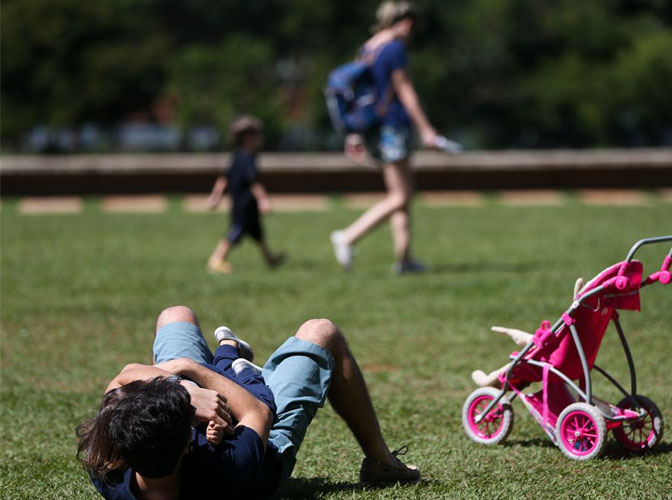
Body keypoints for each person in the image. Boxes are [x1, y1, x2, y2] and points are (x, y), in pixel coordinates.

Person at [76, 305, 420, 499]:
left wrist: (184, 390)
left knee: (175, 315)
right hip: (261, 437)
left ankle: (226, 359)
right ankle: (381, 461)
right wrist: (189, 371)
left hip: (179, 430)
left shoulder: (108, 466)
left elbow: (122, 378)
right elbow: (257, 411)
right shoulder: (228, 470)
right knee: (322, 331)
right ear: (186, 443)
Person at [330, 1, 445, 274]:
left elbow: (356, 96)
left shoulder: (368, 48)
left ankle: (404, 260)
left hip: (375, 128)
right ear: (405, 23)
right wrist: (427, 129)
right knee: (400, 197)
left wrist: (354, 134)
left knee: (402, 194)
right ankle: (348, 236)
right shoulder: (394, 49)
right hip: (393, 126)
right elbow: (405, 91)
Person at [207, 116, 284, 274]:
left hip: (241, 202)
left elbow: (223, 179)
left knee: (257, 232)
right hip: (245, 202)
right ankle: (216, 259)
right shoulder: (248, 158)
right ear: (248, 138)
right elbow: (253, 182)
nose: (260, 139)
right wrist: (264, 200)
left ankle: (270, 259)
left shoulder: (237, 156)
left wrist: (216, 196)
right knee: (236, 231)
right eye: (256, 135)